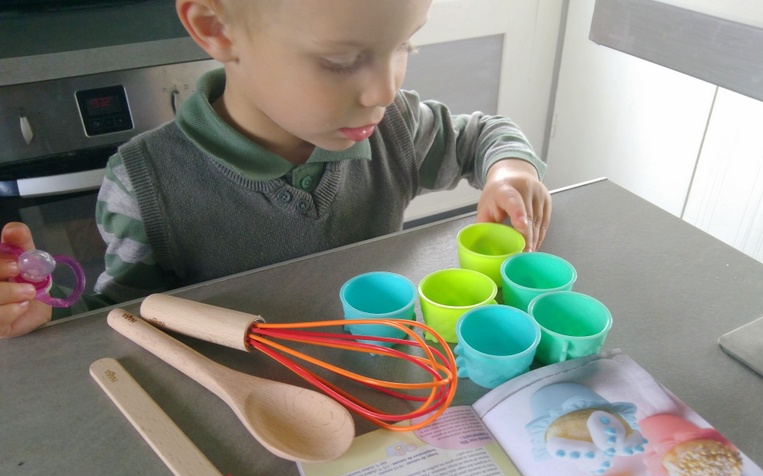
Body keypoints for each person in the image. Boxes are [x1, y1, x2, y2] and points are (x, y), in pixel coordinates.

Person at [0, 0, 552, 339]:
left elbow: (482, 136)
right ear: (216, 27)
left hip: (378, 365)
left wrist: (507, 170)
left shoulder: (396, 127)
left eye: (403, 44)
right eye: (339, 61)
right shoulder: (144, 188)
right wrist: (41, 316)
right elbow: (124, 318)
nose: (385, 91)